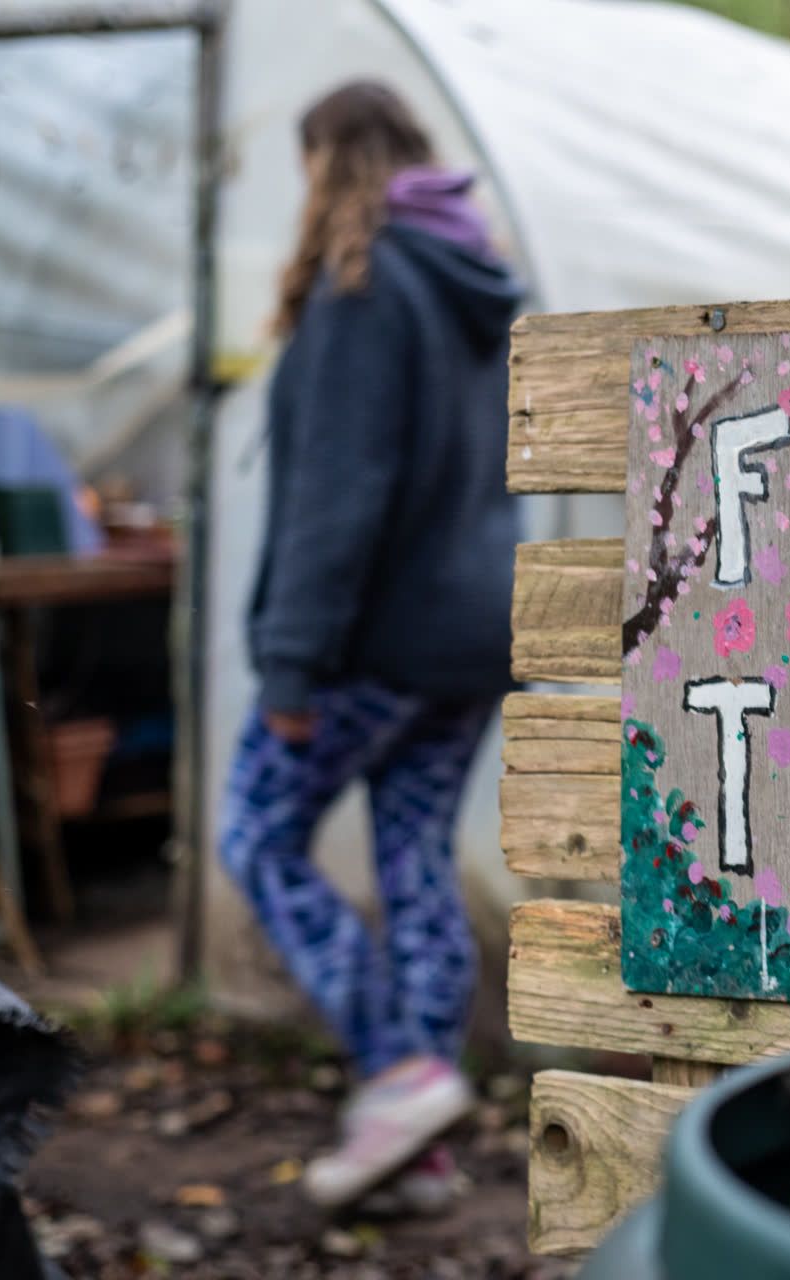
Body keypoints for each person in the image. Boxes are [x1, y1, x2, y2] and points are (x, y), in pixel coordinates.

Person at [219, 80, 522, 1211]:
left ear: (326, 163)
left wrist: (293, 665)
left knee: (257, 832)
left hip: (372, 647)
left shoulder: (364, 285)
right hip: (466, 641)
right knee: (411, 862)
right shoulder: (475, 285)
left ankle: (401, 1073)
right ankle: (423, 1150)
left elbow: (338, 503)